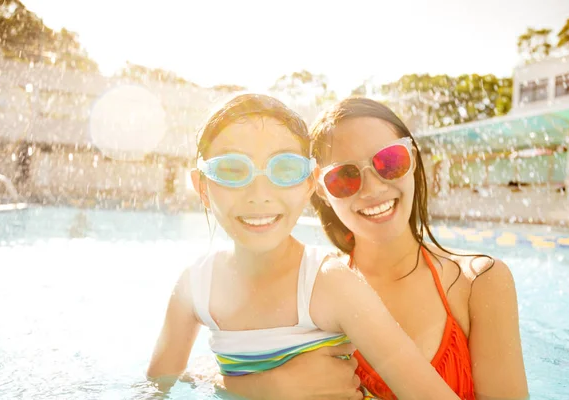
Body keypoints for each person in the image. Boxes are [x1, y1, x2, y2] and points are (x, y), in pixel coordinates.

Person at [147, 94, 462, 400]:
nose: (260, 194)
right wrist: (256, 388)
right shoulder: (195, 286)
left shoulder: (331, 283)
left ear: (310, 183)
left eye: (284, 170)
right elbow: (156, 388)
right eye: (231, 170)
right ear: (202, 186)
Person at [224, 98, 529, 400]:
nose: (373, 189)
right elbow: (210, 369)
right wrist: (270, 386)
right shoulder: (313, 289)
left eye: (390, 162)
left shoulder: (479, 283)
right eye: (344, 176)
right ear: (321, 190)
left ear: (412, 159)